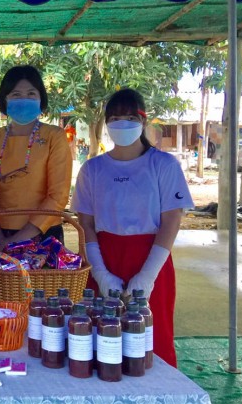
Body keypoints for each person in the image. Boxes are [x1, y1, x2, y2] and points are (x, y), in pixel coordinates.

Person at [71, 88, 193, 367]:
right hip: (104, 257)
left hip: (152, 257)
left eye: (129, 117)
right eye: (114, 118)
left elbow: (171, 220)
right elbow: (86, 223)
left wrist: (147, 276)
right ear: (106, 123)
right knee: (103, 335)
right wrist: (101, 274)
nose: (122, 123)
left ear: (143, 120)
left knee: (152, 335)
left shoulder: (163, 164)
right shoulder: (92, 169)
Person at [0, 65, 72, 250]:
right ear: (5, 99)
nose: (24, 100)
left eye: (31, 94)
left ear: (41, 99)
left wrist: (18, 238)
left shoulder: (54, 136)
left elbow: (58, 195)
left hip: (44, 233)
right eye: (16, 94)